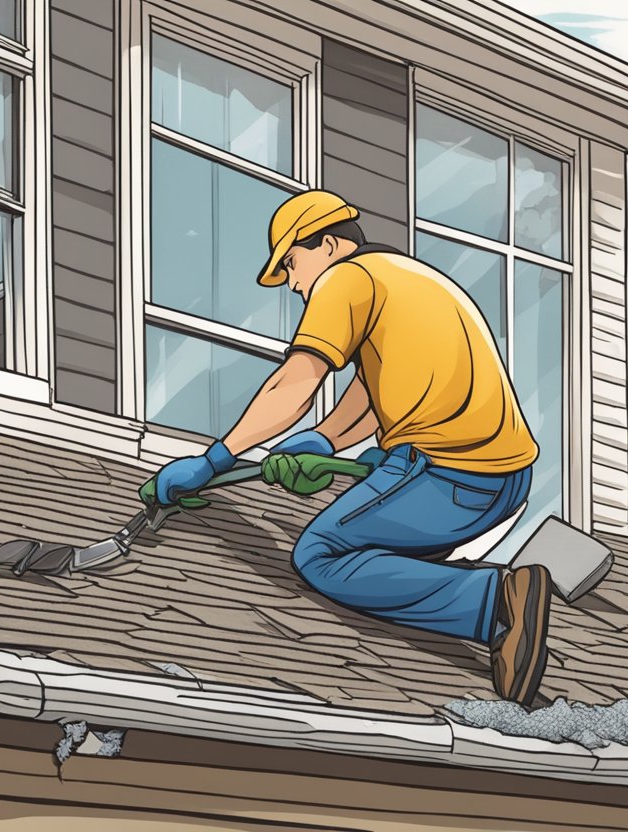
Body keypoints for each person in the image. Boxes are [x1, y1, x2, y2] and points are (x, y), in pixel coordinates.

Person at [151, 190, 552, 705]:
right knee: (381, 549)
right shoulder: (401, 278)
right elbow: (374, 391)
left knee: (321, 553)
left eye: (293, 264)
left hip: (449, 475)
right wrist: (326, 440)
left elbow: (296, 383)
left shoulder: (347, 280)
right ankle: (480, 599)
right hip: (502, 478)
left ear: (330, 245)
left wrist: (213, 461)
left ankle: (495, 600)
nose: (294, 283)